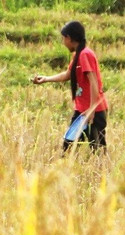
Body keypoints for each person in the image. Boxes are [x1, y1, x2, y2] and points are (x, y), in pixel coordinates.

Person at [32, 21, 108, 153]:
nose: (63, 42)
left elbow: (94, 82)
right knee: (69, 147)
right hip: (82, 111)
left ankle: (101, 173)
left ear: (69, 38)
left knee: (97, 150)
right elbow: (68, 74)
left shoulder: (85, 54)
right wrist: (46, 79)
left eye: (63, 38)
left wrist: (91, 110)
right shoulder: (78, 55)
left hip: (93, 111)